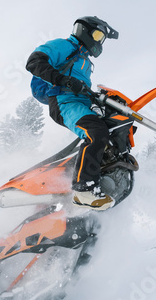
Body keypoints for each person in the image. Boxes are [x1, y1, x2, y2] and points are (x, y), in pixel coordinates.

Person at [25, 16, 119, 210]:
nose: (99, 41)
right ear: (83, 31)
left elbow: (81, 87)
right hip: (63, 101)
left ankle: (103, 173)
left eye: (102, 38)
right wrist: (62, 80)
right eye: (98, 35)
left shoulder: (85, 62)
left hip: (79, 102)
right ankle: (83, 189)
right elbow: (34, 62)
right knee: (96, 133)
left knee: (113, 127)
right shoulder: (65, 46)